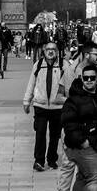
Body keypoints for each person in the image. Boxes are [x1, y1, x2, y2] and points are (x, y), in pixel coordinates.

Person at [60, 57, 97, 191]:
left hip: (96, 143)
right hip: (85, 145)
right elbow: (68, 123)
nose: (89, 81)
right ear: (81, 79)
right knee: (93, 176)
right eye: (86, 78)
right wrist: (83, 141)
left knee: (83, 177)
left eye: (92, 78)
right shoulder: (75, 98)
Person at [23, 41, 65, 173]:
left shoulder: (63, 65)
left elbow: (69, 85)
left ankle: (52, 159)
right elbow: (31, 83)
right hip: (40, 105)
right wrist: (26, 101)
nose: (51, 51)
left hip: (57, 107)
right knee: (40, 134)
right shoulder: (39, 65)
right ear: (44, 51)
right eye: (48, 49)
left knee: (55, 135)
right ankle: (39, 161)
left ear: (57, 51)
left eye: (53, 49)